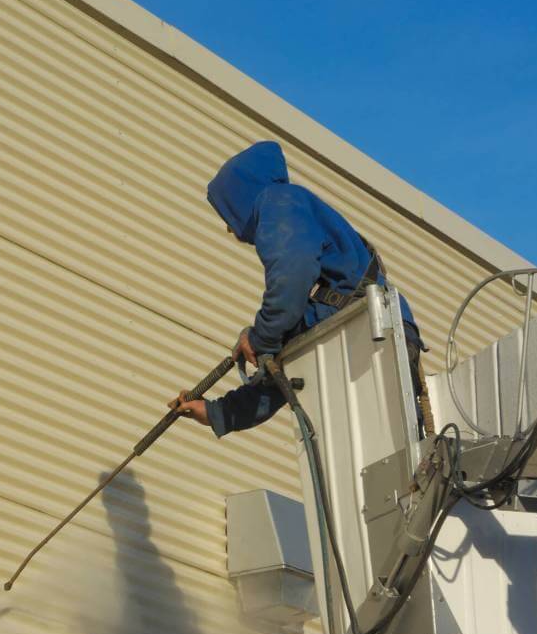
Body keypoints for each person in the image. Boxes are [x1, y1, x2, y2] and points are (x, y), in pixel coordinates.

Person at [169, 141, 424, 437]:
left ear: (239, 197)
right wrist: (217, 413)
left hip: (370, 333)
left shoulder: (279, 202)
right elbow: (284, 373)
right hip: (361, 338)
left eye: (228, 215)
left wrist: (259, 335)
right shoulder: (319, 301)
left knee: (389, 452)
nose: (230, 228)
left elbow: (291, 276)